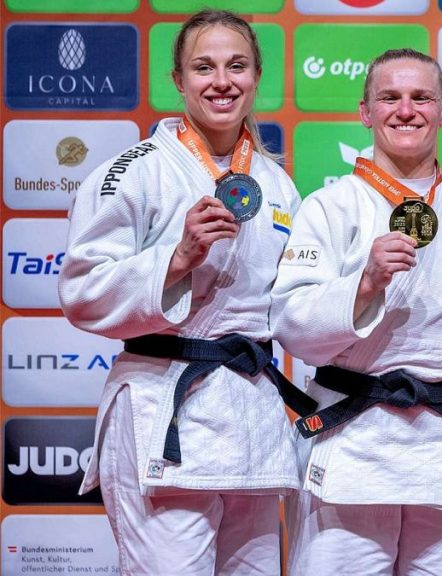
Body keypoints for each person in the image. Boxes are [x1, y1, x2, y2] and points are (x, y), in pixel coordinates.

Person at [58, 9, 315, 575]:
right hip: (164, 408)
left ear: (255, 76)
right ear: (178, 80)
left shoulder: (275, 183)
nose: (221, 81)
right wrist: (175, 259)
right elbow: (80, 290)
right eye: (204, 67)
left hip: (250, 414)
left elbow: (294, 296)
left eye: (236, 66)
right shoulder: (133, 171)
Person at [271, 49, 442, 576]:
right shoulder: (328, 207)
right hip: (353, 446)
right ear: (365, 112)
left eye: (421, 98)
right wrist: (365, 283)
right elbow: (290, 323)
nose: (406, 110)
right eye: (389, 98)